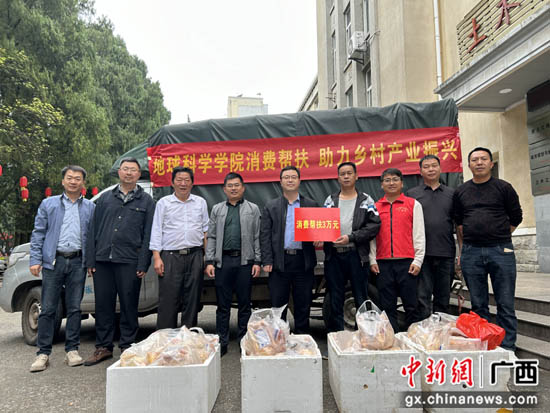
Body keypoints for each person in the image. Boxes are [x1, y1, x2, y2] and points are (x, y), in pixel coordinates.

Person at [84, 158, 155, 366]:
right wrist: (90, 260)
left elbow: (149, 234)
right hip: (103, 260)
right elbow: (92, 230)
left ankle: (127, 346)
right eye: (125, 169)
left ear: (139, 174)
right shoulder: (105, 198)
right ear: (119, 172)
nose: (129, 173)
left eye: (133, 170)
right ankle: (103, 347)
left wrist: (143, 263)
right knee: (103, 305)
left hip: (129, 260)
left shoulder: (146, 201)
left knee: (129, 305)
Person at [453, 147, 522, 351]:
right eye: (475, 160)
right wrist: (463, 251)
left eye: (484, 159)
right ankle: (484, 344)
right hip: (471, 252)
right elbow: (459, 223)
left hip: (501, 250)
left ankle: (507, 347)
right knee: (478, 303)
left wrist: (498, 234)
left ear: (491, 164)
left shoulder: (504, 188)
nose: (479, 162)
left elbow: (516, 217)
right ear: (469, 165)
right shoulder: (461, 191)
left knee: (505, 301)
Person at [28, 165, 95, 372]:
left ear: (83, 182)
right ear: (63, 181)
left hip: (77, 262)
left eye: (78, 178)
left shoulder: (90, 207)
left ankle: (72, 350)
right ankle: (43, 353)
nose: (73, 181)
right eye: (70, 178)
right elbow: (38, 233)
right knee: (48, 308)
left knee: (75, 308)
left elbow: (92, 237)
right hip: (53, 262)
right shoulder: (49, 204)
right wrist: (35, 259)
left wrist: (90, 262)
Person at [205, 172, 261, 356]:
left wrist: (257, 261)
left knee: (245, 304)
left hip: (245, 262)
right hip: (223, 262)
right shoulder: (217, 209)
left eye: (237, 185)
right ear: (224, 189)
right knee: (223, 305)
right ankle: (222, 341)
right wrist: (210, 261)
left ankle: (244, 341)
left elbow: (257, 236)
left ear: (243, 188)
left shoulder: (253, 209)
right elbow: (212, 236)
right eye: (230, 186)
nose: (234, 188)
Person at [323, 162, 381, 332]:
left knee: (361, 297)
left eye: (349, 173)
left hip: (357, 255)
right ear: (338, 178)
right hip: (334, 256)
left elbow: (374, 226)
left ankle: (362, 336)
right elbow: (322, 224)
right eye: (343, 174)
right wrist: (320, 237)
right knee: (335, 298)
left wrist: (351, 237)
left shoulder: (366, 200)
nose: (346, 176)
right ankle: (337, 336)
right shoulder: (330, 200)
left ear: (356, 176)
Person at [260, 166, 318, 334]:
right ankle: (280, 339)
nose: (290, 180)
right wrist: (267, 260)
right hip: (280, 262)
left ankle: (302, 338)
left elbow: (319, 231)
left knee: (303, 303)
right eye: (286, 177)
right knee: (278, 305)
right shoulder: (272, 206)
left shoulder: (311, 205)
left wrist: (319, 237)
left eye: (293, 177)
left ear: (299, 181)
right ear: (281, 182)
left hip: (303, 260)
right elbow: (265, 235)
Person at [150, 166, 209, 330]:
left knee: (192, 299)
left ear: (192, 183)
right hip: (170, 256)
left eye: (187, 180)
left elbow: (206, 231)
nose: (183, 183)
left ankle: (188, 338)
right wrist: (157, 257)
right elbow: (156, 230)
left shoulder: (200, 203)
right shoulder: (163, 203)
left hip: (195, 255)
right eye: (179, 180)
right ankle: (165, 338)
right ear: (172, 183)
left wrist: (207, 257)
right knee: (169, 300)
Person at [369, 168, 425, 332]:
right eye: (387, 180)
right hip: (383, 264)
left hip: (407, 263)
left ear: (402, 183)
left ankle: (412, 338)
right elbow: (371, 236)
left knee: (411, 304)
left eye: (395, 179)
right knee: (387, 306)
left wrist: (418, 260)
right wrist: (372, 259)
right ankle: (392, 338)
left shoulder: (413, 204)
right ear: (381, 185)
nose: (391, 183)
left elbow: (419, 233)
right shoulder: (375, 207)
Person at [406, 155, 455, 320]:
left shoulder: (451, 194)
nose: (431, 169)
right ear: (420, 171)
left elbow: (459, 224)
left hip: (446, 252)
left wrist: (460, 253)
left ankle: (441, 331)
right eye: (426, 167)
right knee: (422, 297)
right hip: (422, 255)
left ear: (440, 169)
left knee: (443, 297)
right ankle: (424, 331)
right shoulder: (412, 194)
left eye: (434, 165)